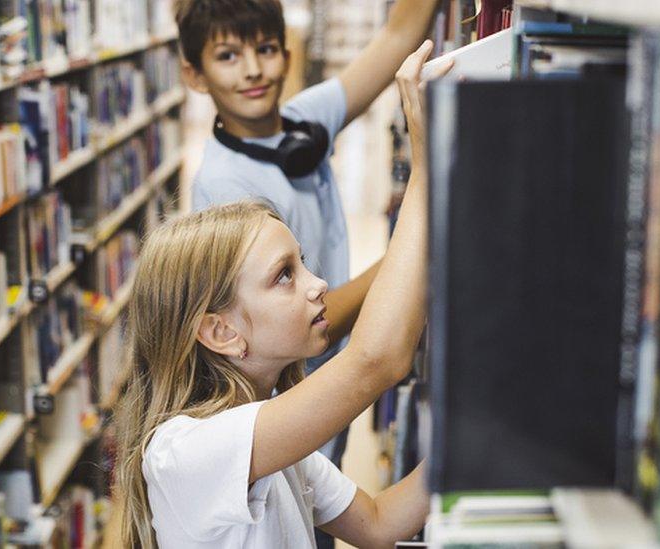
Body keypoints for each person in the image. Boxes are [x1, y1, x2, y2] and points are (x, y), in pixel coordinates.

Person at [114, 42, 450, 548]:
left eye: (303, 264)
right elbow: (377, 359)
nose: (318, 286)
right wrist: (426, 168)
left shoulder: (272, 430)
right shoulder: (187, 450)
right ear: (221, 331)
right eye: (284, 276)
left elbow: (379, 523)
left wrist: (478, 423)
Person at [178, 0, 440, 471]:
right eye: (228, 56)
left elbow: (397, 39)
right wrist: (410, 255)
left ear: (288, 53)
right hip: (288, 410)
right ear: (194, 75)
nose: (253, 70)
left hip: (328, 385)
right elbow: (295, 316)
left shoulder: (302, 122)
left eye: (266, 48)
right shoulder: (224, 190)